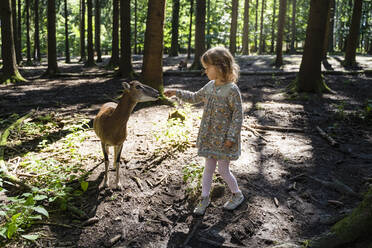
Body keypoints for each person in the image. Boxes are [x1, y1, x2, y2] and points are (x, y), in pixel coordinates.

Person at [164, 47, 244, 215]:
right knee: (208, 168)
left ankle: (237, 195)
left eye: (207, 67)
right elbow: (194, 97)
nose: (205, 70)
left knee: (223, 170)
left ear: (220, 66)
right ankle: (205, 198)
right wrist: (177, 92)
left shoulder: (232, 90)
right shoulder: (210, 86)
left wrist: (231, 137)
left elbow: (238, 116)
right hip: (210, 137)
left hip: (224, 140)